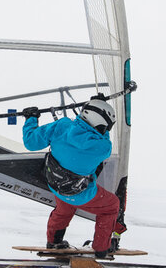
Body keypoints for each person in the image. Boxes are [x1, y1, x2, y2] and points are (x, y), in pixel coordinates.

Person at [22, 95, 121, 258]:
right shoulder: (103, 147)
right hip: (79, 193)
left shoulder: (62, 125)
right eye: (106, 127)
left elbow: (31, 142)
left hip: (55, 184)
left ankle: (54, 241)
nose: (106, 130)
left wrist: (31, 119)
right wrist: (98, 104)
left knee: (64, 207)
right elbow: (101, 137)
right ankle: (102, 248)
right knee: (111, 206)